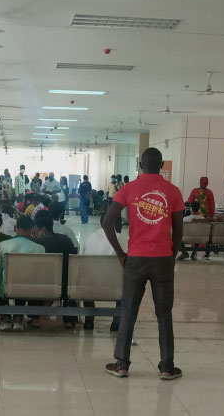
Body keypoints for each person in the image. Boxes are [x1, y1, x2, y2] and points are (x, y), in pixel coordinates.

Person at [103, 147, 184, 380]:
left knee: (128, 310)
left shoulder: (129, 189)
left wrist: (120, 253)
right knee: (164, 313)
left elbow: (108, 221)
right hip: (162, 260)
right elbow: (178, 230)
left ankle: (122, 365)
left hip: (135, 259)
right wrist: (171, 254)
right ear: (161, 166)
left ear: (140, 164)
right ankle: (167, 367)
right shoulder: (173, 191)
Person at [0, 215, 45, 331]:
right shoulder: (40, 249)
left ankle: (5, 318)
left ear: (15, 228)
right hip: (29, 288)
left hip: (7, 287)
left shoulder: (3, 245)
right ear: (32, 229)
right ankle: (18, 317)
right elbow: (40, 274)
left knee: (3, 279)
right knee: (25, 278)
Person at [31, 210, 78, 329]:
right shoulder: (66, 239)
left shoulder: (37, 243)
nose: (34, 234)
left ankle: (35, 318)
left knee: (36, 279)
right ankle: (69, 320)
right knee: (68, 281)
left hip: (43, 285)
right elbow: (74, 258)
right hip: (65, 286)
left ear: (43, 230)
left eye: (35, 231)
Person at [81, 216, 126, 331]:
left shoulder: (90, 237)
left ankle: (89, 321)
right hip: (114, 287)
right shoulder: (121, 239)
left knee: (87, 279)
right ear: (116, 223)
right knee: (125, 284)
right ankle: (116, 323)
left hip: (90, 286)